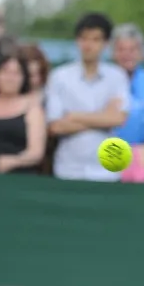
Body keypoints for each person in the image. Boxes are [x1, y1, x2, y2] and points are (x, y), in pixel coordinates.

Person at [46, 13, 131, 181]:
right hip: (67, 170)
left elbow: (118, 119)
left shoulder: (117, 76)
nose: (88, 45)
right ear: (77, 41)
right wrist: (102, 118)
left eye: (95, 39)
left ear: (105, 43)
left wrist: (73, 116)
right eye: (84, 39)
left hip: (107, 172)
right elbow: (55, 126)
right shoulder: (59, 76)